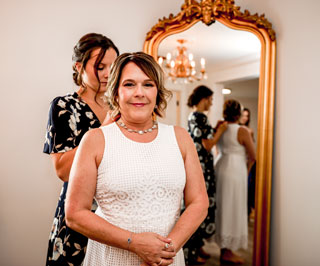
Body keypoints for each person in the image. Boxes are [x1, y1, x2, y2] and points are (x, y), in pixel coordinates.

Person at [65, 52, 209, 266]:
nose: (139, 93)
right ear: (115, 93)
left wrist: (166, 250)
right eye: (129, 84)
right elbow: (75, 214)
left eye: (148, 84)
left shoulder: (180, 137)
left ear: (158, 92)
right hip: (111, 259)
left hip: (167, 259)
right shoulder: (95, 140)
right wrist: (135, 243)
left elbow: (199, 202)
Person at [43, 33, 119, 265]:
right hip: (79, 211)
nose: (108, 73)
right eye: (100, 66)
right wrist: (104, 128)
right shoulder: (64, 107)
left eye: (112, 66)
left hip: (117, 211)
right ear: (79, 66)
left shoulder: (122, 106)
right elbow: (63, 170)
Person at [183, 85, 228, 265]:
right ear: (203, 99)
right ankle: (193, 251)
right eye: (210, 99)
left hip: (200, 164)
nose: (211, 103)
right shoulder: (199, 116)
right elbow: (208, 145)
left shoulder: (194, 116)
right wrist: (221, 132)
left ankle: (198, 247)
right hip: (201, 167)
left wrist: (215, 128)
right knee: (202, 204)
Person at [214, 100, 256, 264]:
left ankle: (224, 248)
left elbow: (217, 148)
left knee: (222, 207)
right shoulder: (242, 130)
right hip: (236, 171)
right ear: (238, 114)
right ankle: (227, 251)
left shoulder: (220, 127)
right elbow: (253, 156)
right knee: (233, 207)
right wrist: (246, 171)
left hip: (221, 165)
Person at [239, 107, 256, 218]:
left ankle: (246, 213)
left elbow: (251, 154)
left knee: (247, 189)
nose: (245, 118)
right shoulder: (234, 129)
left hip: (246, 162)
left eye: (247, 116)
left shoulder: (249, 131)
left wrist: (248, 169)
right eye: (243, 115)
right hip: (237, 161)